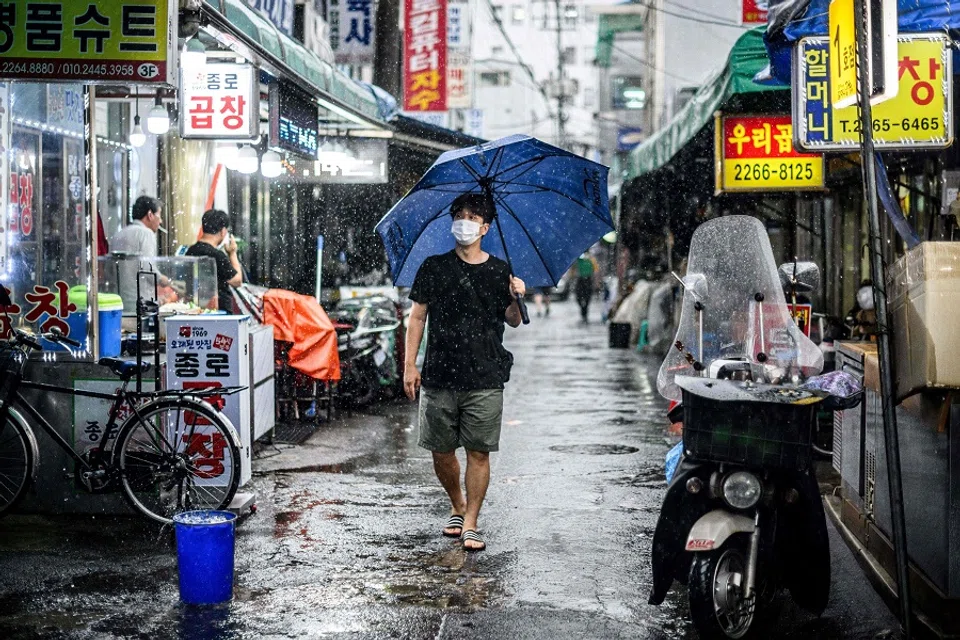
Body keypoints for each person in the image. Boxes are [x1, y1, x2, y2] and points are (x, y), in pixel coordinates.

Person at [404, 192, 525, 553]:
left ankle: (471, 521)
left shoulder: (500, 270)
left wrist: (517, 295)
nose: (464, 223)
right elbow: (417, 317)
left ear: (485, 227)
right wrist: (410, 365)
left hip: (486, 374)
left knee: (478, 451)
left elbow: (514, 321)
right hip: (439, 373)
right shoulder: (433, 266)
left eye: (472, 218)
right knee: (441, 451)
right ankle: (457, 503)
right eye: (459, 216)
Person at [109, 195, 173, 309]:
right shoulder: (146, 233)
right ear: (150, 215)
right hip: (141, 302)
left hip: (119, 301)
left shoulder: (118, 234)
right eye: (159, 215)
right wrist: (162, 279)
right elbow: (147, 267)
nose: (161, 221)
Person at [185, 209, 244, 312]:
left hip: (195, 310)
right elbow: (237, 281)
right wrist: (232, 253)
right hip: (218, 313)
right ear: (223, 231)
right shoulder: (217, 255)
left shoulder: (190, 251)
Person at [572, 251, 600, 322]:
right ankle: (583, 309)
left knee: (586, 297)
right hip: (582, 280)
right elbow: (573, 269)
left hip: (586, 280)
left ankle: (585, 310)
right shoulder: (579, 259)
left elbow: (596, 270)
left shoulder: (590, 259)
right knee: (581, 297)